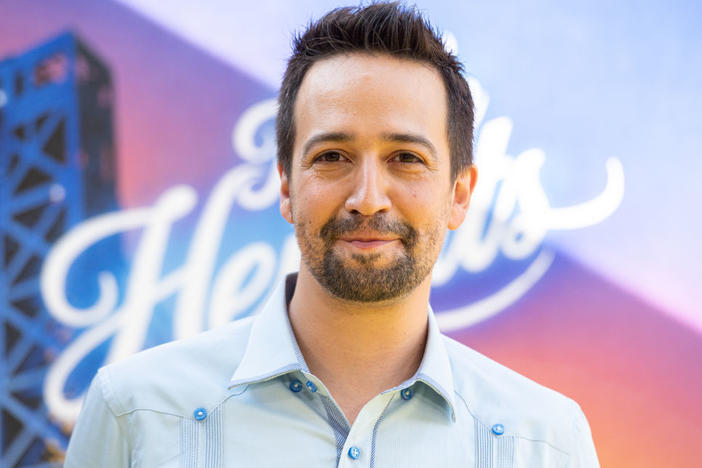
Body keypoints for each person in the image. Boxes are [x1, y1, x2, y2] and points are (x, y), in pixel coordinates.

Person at [64, 2, 599, 467]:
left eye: (407, 158)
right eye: (332, 156)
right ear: (286, 185)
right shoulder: (133, 410)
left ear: (459, 194)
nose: (368, 196)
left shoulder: (547, 442)